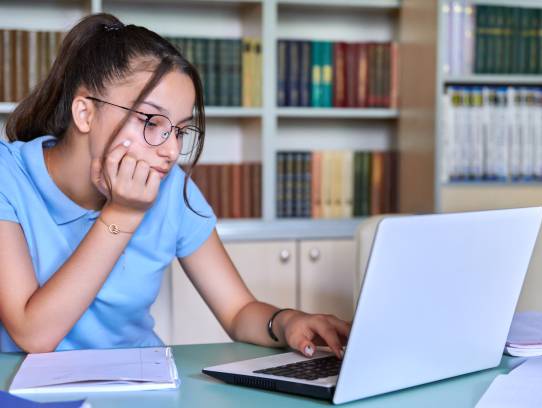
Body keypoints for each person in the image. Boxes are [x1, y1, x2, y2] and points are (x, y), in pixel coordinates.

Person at [0, 13, 350, 359]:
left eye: (180, 130)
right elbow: (34, 333)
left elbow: (238, 310)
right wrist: (122, 213)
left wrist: (286, 321)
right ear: (85, 112)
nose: (170, 150)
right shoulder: (8, 175)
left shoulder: (169, 188)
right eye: (151, 121)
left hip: (138, 383)